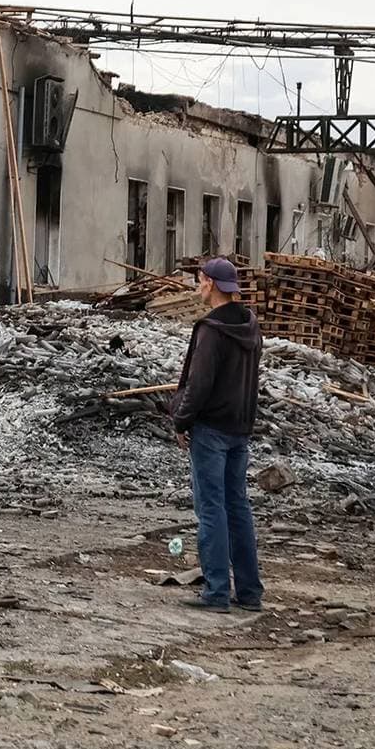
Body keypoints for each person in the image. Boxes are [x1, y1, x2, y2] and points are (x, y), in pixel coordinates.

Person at [170, 257, 265, 613]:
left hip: (211, 430)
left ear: (209, 283)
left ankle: (217, 592)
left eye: (200, 279)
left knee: (211, 509)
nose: (198, 285)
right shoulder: (251, 326)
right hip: (239, 428)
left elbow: (198, 384)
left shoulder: (211, 330)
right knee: (237, 507)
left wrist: (181, 421)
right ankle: (250, 592)